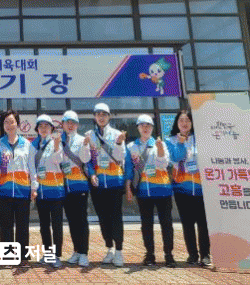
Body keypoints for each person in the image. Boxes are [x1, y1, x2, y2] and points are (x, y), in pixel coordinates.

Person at [125, 114, 175, 268]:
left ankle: (169, 255)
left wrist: (159, 149)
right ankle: (150, 254)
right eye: (142, 125)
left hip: (163, 190)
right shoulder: (131, 147)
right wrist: (128, 188)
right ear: (138, 128)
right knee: (146, 224)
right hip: (143, 192)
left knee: (166, 224)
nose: (145, 128)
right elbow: (129, 169)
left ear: (152, 128)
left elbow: (163, 164)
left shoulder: (161, 144)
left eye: (148, 125)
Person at [0, 109, 37, 267]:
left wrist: (34, 187)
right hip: (4, 190)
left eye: (12, 121)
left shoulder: (27, 144)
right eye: (6, 122)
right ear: (2, 125)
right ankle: (8, 257)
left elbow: (32, 168)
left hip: (23, 190)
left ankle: (23, 257)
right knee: (6, 225)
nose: (9, 125)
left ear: (17, 123)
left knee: (23, 225)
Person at [167, 109, 211, 266]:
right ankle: (192, 254)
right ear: (177, 123)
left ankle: (205, 255)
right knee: (187, 223)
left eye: (187, 120)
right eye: (181, 120)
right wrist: (180, 143)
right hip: (181, 188)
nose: (184, 123)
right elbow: (175, 157)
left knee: (203, 222)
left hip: (202, 188)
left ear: (192, 123)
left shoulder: (201, 139)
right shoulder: (170, 141)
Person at [86, 102, 127, 267]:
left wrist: (119, 143)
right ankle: (109, 248)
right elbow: (87, 160)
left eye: (104, 114)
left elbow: (121, 157)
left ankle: (119, 251)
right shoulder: (89, 135)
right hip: (98, 185)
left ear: (109, 117)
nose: (101, 117)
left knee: (116, 218)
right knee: (103, 218)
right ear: (95, 117)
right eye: (98, 114)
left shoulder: (117, 134)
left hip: (114, 182)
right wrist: (91, 174)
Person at [31, 114, 65, 268]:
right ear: (37, 129)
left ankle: (56, 255)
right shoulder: (34, 145)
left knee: (57, 225)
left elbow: (58, 160)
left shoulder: (56, 142)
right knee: (44, 225)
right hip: (41, 193)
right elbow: (32, 167)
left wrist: (57, 147)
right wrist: (34, 188)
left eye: (47, 126)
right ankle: (48, 253)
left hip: (56, 191)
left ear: (51, 128)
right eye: (41, 126)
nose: (44, 129)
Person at [60, 110, 93, 267]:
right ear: (63, 124)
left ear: (77, 125)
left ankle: (84, 253)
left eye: (73, 122)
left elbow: (86, 159)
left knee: (81, 220)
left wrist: (85, 145)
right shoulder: (59, 141)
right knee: (72, 220)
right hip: (65, 187)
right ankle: (77, 251)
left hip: (80, 185)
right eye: (67, 122)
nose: (70, 125)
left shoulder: (81, 140)